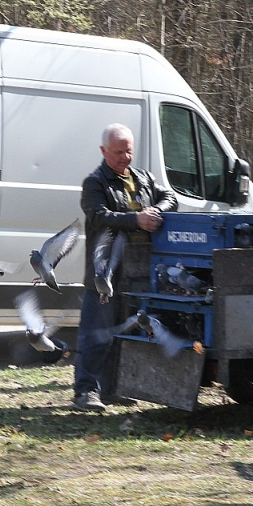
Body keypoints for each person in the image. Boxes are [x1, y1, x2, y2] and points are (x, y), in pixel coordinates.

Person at [73, 123, 178, 412]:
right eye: (118, 152)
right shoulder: (94, 183)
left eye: (128, 151)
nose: (125, 157)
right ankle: (85, 392)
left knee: (123, 333)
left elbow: (170, 198)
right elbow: (98, 216)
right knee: (95, 333)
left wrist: (157, 211)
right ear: (104, 151)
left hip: (138, 272)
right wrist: (136, 220)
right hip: (105, 272)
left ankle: (113, 389)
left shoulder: (144, 178)